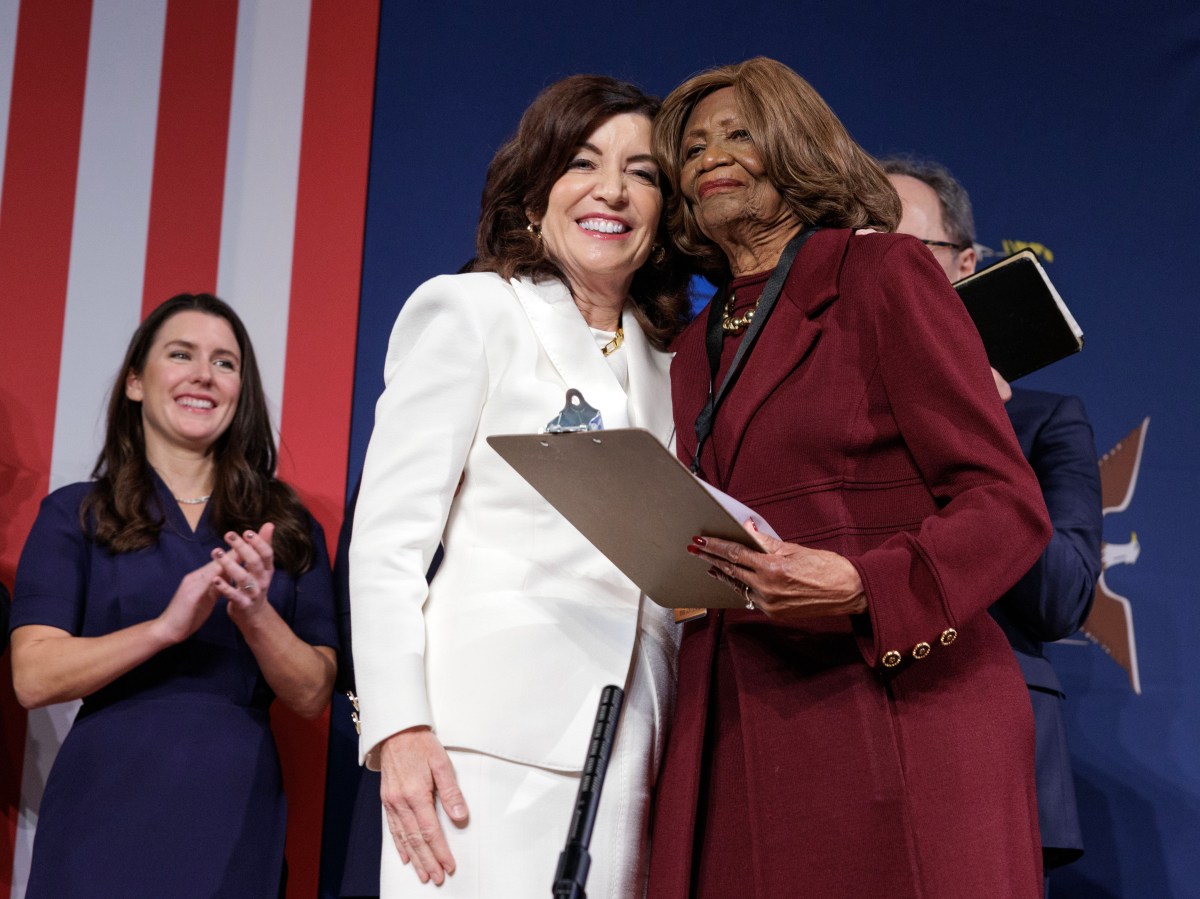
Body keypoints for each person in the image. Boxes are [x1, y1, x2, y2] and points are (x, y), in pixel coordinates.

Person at [647, 57, 1053, 898]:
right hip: (738, 722)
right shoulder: (690, 346)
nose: (712, 156)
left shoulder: (884, 276)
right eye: (692, 147)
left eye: (739, 133)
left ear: (796, 145)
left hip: (898, 705)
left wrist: (866, 585)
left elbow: (1006, 503)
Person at [349, 75, 691, 897]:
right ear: (535, 193)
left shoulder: (677, 366)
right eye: (583, 161)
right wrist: (399, 727)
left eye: (642, 172)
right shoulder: (472, 313)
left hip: (633, 753)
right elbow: (388, 541)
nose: (612, 189)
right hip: (476, 754)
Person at [9, 293, 338, 898]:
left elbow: (314, 693)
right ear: (136, 381)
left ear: (242, 390)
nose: (202, 376)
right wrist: (165, 627)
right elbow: (32, 676)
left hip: (234, 808)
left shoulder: (285, 523)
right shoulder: (76, 513)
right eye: (181, 355)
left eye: (225, 363)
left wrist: (256, 613)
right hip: (101, 804)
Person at [883, 156, 1103, 873]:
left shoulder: (1043, 422)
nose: (889, 276)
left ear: (967, 263)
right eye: (866, 252)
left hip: (992, 750)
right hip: (847, 734)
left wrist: (976, 431)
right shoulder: (829, 421)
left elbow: (1061, 601)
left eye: (912, 254)